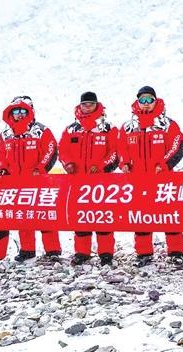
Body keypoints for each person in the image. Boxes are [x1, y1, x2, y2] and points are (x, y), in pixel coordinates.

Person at [118, 86, 183, 267]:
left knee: (169, 216)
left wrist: (164, 164)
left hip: (163, 180)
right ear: (137, 102)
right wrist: (124, 163)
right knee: (141, 217)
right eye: (143, 100)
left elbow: (177, 146)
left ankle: (176, 252)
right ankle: (144, 253)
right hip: (138, 180)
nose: (146, 104)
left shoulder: (168, 124)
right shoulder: (128, 127)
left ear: (156, 101)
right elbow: (121, 148)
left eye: (150, 100)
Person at [59, 91, 119, 267]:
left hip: (101, 182)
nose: (87, 107)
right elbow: (62, 150)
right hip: (77, 181)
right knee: (80, 217)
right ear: (80, 106)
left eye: (91, 104)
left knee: (103, 217)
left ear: (96, 105)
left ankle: (106, 253)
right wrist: (68, 163)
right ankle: (82, 252)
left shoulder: (108, 128)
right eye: (84, 104)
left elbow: (115, 152)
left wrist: (101, 166)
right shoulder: (71, 129)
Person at [0, 95, 61, 261]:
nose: (19, 114)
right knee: (23, 216)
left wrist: (41, 169)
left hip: (39, 181)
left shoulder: (41, 130)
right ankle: (27, 250)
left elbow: (51, 150)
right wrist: (2, 169)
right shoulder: (5, 134)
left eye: (23, 111)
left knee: (44, 215)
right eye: (15, 111)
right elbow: (1, 154)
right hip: (16, 183)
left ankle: (52, 250)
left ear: (30, 111)